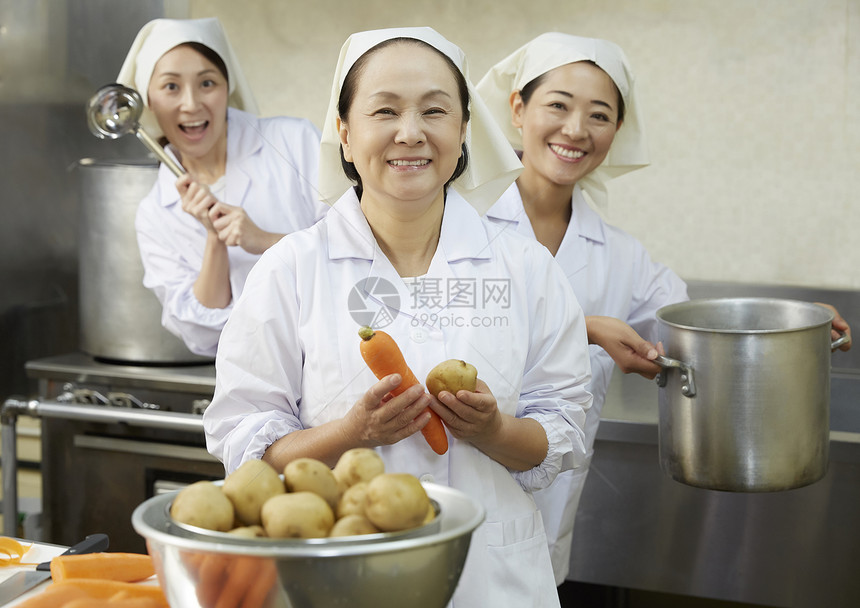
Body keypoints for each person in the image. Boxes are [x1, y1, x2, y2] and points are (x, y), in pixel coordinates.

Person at [203, 26, 593, 607]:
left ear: (463, 131)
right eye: (384, 110)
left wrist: (493, 432)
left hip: (490, 582)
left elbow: (561, 430)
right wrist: (353, 433)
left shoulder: (524, 269)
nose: (410, 132)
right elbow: (247, 446)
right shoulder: (291, 270)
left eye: (435, 111)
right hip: (338, 580)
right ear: (344, 132)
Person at [476, 32, 853, 586]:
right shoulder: (455, 220)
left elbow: (694, 325)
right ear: (518, 108)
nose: (576, 130)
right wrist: (580, 329)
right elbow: (430, 326)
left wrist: (795, 318)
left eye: (599, 115)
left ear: (617, 131)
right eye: (557, 105)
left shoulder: (620, 255)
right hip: (447, 490)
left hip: (541, 529)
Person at [117, 17, 327, 357]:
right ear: (148, 100)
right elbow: (202, 336)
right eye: (171, 86)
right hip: (252, 383)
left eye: (207, 83)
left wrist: (264, 241)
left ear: (228, 87)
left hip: (334, 359)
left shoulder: (295, 142)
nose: (191, 104)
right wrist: (214, 240)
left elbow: (364, 248)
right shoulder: (155, 214)